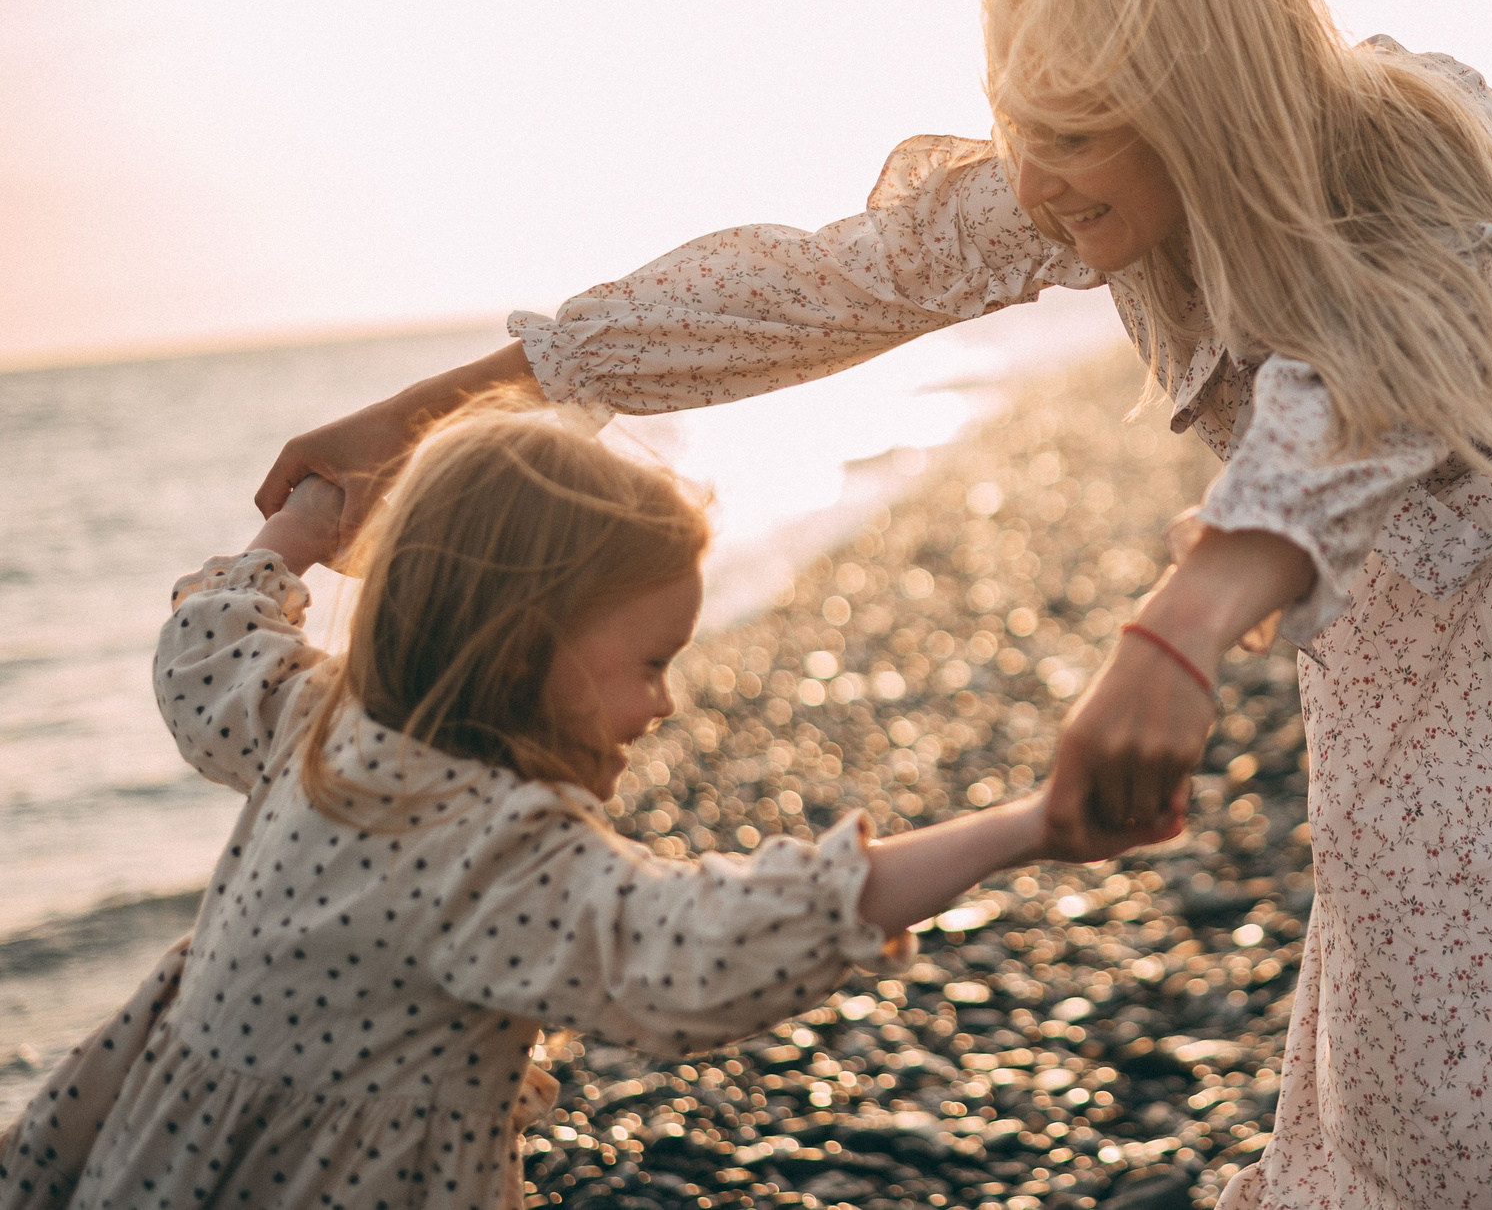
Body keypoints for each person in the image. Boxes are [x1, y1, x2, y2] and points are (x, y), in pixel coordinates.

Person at [254, 0, 1492, 1208]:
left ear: (1195, 100)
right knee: (1435, 1133)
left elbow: (1377, 392)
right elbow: (819, 281)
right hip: (1430, 709)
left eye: (1075, 138)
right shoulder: (1102, 196)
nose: (1034, 183)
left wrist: (1178, 625)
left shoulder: (1436, 146)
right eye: (1023, 132)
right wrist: (442, 405)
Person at [1, 399, 1164, 1210]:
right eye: (651, 660)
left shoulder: (312, 723)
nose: (667, 701)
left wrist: (296, 530)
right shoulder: (489, 856)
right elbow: (700, 948)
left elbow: (206, 651)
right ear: (524, 644)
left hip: (155, 1152)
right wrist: (1027, 828)